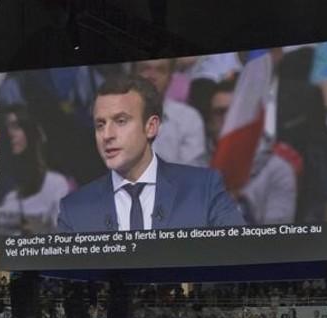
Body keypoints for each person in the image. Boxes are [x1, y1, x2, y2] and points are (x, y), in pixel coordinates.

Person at [56, 75, 244, 233]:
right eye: (100, 125)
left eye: (120, 121)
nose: (107, 135)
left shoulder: (204, 189)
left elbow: (238, 258)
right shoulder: (74, 210)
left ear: (151, 127)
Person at [0, 106, 73, 236]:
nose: (10, 134)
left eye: (15, 126)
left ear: (31, 131)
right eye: (6, 129)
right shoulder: (7, 193)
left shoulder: (56, 185)